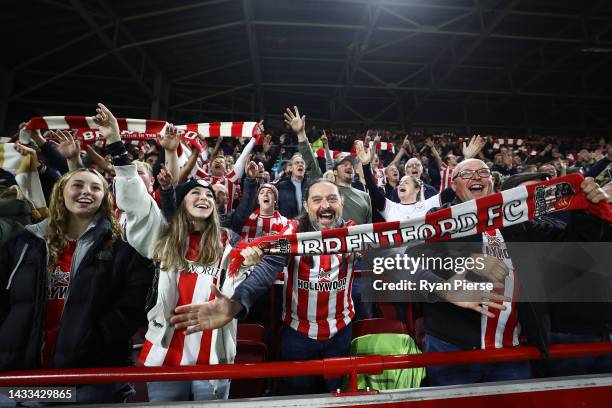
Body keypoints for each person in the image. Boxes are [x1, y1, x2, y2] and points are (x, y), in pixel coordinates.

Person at [98, 103, 250, 402]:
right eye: (195, 192)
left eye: (209, 194)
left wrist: (240, 293)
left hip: (213, 360)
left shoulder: (230, 246)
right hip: (167, 356)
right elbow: (137, 202)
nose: (204, 197)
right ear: (180, 204)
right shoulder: (162, 240)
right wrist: (116, 145)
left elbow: (273, 255)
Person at [414, 158, 609, 386]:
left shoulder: (518, 223)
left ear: (493, 183)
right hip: (454, 352)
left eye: (483, 172)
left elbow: (573, 249)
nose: (476, 177)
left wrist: (587, 210)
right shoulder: (440, 220)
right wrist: (451, 283)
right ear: (454, 185)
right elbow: (406, 266)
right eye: (467, 174)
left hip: (514, 352)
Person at [171, 179, 358, 395]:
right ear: (306, 206)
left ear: (342, 203)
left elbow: (393, 239)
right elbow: (268, 267)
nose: (325, 205)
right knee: (299, 395)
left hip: (340, 333)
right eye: (317, 200)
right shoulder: (292, 232)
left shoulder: (355, 233)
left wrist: (366, 251)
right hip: (299, 334)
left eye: (332, 199)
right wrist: (236, 304)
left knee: (335, 393)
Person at [0, 167, 153, 404]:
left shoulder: (122, 249)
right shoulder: (26, 243)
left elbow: (132, 306)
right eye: (78, 185)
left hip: (89, 379)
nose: (86, 192)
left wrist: (95, 339)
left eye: (95, 187)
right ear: (61, 193)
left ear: (105, 197)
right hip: (24, 374)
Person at [355, 141, 440, 221]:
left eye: (406, 182)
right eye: (400, 183)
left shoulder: (428, 202)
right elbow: (374, 191)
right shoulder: (391, 208)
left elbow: (450, 194)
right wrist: (366, 166)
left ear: (417, 189)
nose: (401, 185)